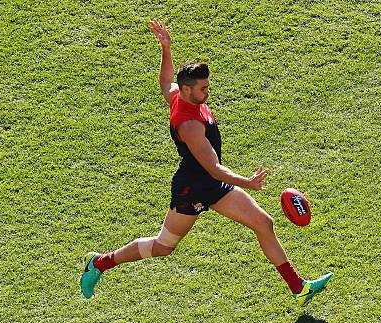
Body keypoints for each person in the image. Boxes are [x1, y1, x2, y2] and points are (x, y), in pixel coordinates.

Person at [80, 18, 332, 305]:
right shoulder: (189, 125)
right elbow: (213, 167)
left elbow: (165, 82)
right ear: (187, 90)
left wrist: (166, 48)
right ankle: (99, 263)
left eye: (208, 86)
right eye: (202, 88)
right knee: (164, 246)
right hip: (194, 188)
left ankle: (298, 288)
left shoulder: (179, 95)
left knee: (264, 222)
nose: (207, 92)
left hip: (214, 185)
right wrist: (246, 182)